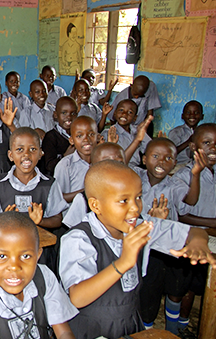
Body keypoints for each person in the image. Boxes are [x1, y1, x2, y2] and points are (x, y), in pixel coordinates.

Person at [58, 160, 216, 339]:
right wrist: (123, 263)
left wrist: (198, 242)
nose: (135, 208)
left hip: (130, 323)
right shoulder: (79, 238)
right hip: (91, 329)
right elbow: (77, 297)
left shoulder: (141, 226)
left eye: (138, 197)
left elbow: (193, 232)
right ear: (96, 205)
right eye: (123, 201)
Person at [135, 138, 206, 334]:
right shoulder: (134, 178)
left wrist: (196, 174)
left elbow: (190, 200)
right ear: (144, 159)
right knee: (149, 292)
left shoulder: (175, 184)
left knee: (176, 290)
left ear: (175, 163)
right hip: (147, 247)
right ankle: (147, 330)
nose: (161, 162)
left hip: (171, 247)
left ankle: (173, 330)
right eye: (155, 156)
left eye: (168, 158)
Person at [173, 123, 216, 336]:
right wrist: (212, 223)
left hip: (212, 240)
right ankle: (178, 327)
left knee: (201, 287)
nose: (213, 148)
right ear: (192, 147)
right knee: (181, 289)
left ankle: (185, 323)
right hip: (189, 240)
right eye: (206, 143)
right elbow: (182, 214)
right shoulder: (183, 176)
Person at [0, 127, 67, 228]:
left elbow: (57, 219)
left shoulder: (50, 184)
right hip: (7, 242)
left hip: (38, 242)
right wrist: (3, 220)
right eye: (19, 149)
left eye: (32, 149)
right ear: (11, 155)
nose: (26, 154)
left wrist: (40, 221)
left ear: (40, 154)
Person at [53, 116, 97, 205]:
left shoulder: (102, 163)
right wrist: (86, 192)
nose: (86, 139)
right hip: (74, 216)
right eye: (79, 136)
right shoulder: (65, 165)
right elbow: (58, 197)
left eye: (91, 134)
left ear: (98, 137)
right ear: (72, 140)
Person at [101, 99, 151, 168]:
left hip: (136, 168)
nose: (124, 114)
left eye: (130, 112)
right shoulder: (108, 133)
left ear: (135, 118)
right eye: (121, 110)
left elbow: (150, 147)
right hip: (118, 169)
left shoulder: (138, 131)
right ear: (115, 113)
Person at [39, 96, 77, 176]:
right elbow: (49, 166)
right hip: (58, 180)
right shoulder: (51, 137)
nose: (69, 117)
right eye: (64, 113)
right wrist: (65, 156)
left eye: (73, 113)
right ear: (55, 115)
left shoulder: (79, 135)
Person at [169, 100, 204, 168]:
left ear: (202, 116)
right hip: (179, 165)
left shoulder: (203, 133)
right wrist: (189, 141)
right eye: (188, 112)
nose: (192, 115)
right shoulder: (176, 132)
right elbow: (171, 152)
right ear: (182, 116)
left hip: (199, 164)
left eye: (196, 112)